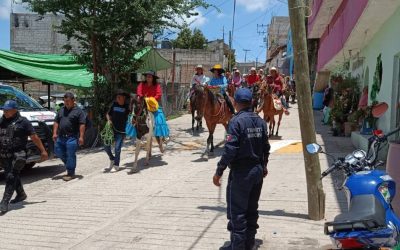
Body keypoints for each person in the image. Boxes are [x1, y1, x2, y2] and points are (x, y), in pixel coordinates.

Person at [213, 88, 270, 250]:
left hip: (241, 173)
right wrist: (264, 166)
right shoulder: (260, 122)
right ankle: (249, 244)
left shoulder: (236, 122)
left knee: (237, 212)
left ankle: (237, 246)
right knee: (252, 209)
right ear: (251, 102)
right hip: (257, 171)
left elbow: (230, 150)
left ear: (236, 104)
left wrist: (219, 171)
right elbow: (266, 147)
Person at [0, 100, 48, 213]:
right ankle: (21, 194)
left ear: (14, 110)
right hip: (5, 154)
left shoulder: (23, 122)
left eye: (7, 110)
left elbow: (34, 137)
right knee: (11, 175)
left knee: (11, 176)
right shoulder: (2, 121)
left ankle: (4, 203)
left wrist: (43, 151)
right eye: (4, 110)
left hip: (18, 154)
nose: (5, 112)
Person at [53, 92, 86, 181]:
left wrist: (81, 137)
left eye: (68, 101)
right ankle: (69, 165)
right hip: (60, 137)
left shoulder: (79, 111)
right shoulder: (61, 110)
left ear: (73, 100)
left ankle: (70, 173)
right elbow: (56, 122)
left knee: (71, 154)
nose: (66, 103)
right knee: (57, 151)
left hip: (72, 137)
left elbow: (82, 124)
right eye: (65, 101)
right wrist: (54, 133)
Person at [136, 71, 169, 153]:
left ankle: (163, 136)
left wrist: (151, 99)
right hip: (143, 104)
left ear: (153, 78)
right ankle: (135, 130)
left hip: (153, 105)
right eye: (147, 76)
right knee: (134, 114)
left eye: (150, 77)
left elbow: (158, 94)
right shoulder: (141, 84)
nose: (148, 78)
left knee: (159, 118)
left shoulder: (157, 85)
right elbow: (139, 92)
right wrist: (142, 97)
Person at [104, 89, 131, 172]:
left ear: (123, 98)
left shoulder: (127, 107)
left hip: (121, 131)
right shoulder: (114, 105)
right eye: (117, 97)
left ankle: (116, 165)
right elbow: (108, 114)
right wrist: (109, 120)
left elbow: (130, 117)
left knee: (117, 148)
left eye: (119, 97)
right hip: (111, 130)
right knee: (106, 146)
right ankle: (112, 159)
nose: (118, 98)